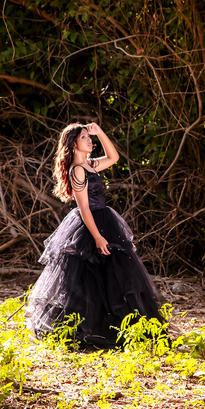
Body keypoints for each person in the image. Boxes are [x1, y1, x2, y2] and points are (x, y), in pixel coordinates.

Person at [25, 122, 164, 349]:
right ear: (73, 144)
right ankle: (87, 331)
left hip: (105, 220)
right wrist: (98, 237)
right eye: (84, 138)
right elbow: (84, 209)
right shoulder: (77, 170)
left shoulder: (89, 165)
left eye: (89, 138)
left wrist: (100, 132)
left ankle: (118, 328)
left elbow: (114, 157)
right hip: (90, 226)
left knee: (114, 275)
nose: (89, 141)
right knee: (86, 280)